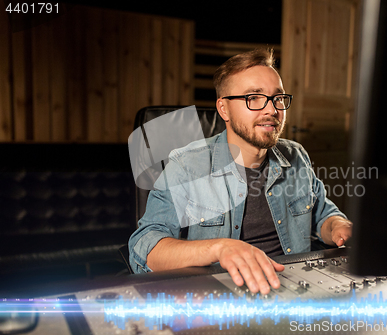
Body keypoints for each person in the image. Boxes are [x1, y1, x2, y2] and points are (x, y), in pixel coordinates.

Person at [129, 48, 352, 295]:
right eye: (253, 97)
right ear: (224, 109)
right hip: (222, 297)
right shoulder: (187, 165)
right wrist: (219, 249)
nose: (271, 110)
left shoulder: (296, 155)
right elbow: (145, 248)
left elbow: (322, 215)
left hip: (295, 289)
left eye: (277, 98)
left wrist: (337, 226)